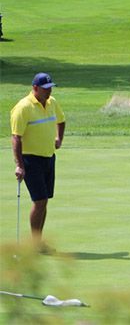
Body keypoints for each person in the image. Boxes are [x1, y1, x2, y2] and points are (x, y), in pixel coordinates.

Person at [10, 72, 66, 247]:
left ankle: (38, 242)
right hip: (30, 160)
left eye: (50, 88)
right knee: (40, 201)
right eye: (45, 88)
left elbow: (61, 121)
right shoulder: (23, 107)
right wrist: (19, 165)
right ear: (35, 88)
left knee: (44, 201)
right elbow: (16, 137)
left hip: (49, 157)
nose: (49, 91)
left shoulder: (52, 102)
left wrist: (59, 139)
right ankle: (35, 244)